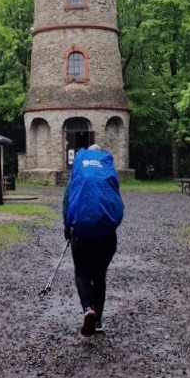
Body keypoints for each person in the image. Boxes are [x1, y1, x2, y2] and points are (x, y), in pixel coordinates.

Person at [62, 144, 124, 336]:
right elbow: (114, 199)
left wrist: (67, 227)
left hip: (81, 232)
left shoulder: (78, 175)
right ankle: (98, 322)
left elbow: (67, 201)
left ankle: (88, 308)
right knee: (99, 276)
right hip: (106, 234)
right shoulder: (107, 172)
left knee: (81, 273)